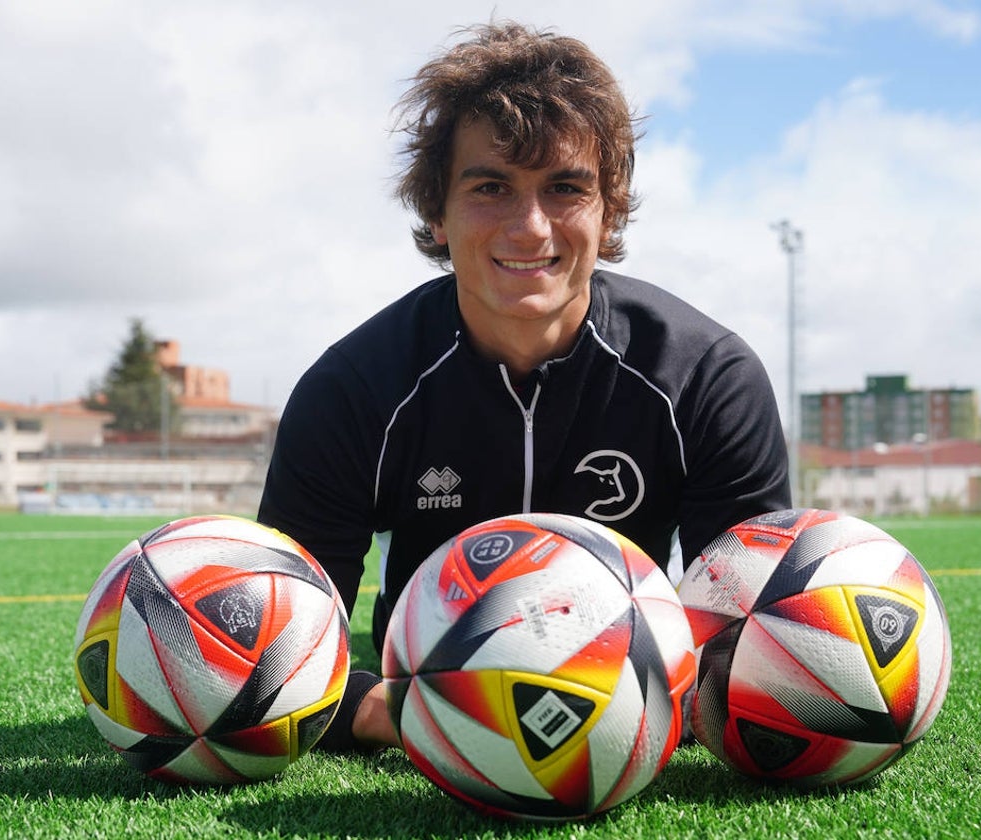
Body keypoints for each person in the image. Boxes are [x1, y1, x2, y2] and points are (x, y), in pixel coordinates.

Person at [257, 21, 791, 752]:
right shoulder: (353, 389)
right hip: (419, 701)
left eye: (565, 188)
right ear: (436, 212)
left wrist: (654, 704)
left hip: (634, 695)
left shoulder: (707, 378)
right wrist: (385, 711)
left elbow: (749, 638)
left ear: (609, 213)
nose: (530, 228)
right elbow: (280, 648)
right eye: (491, 187)